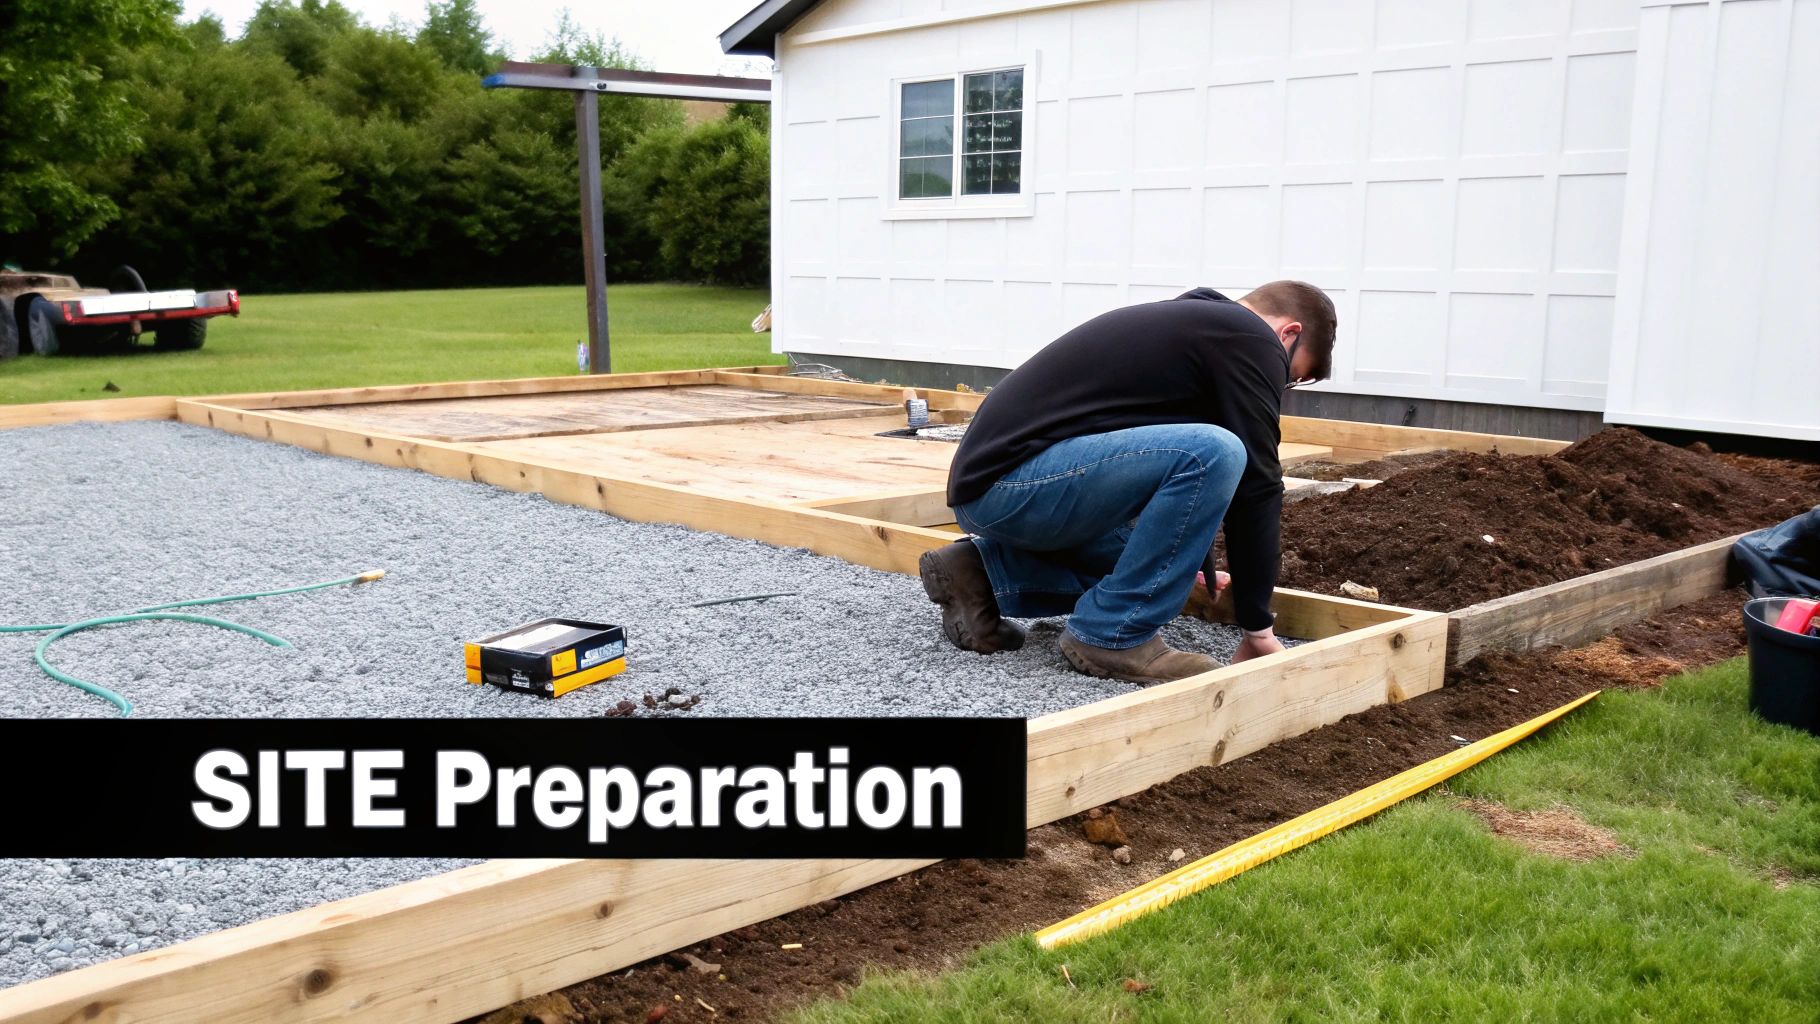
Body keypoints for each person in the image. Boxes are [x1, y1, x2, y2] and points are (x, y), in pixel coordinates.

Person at [918, 282, 1337, 684]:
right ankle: (1113, 635)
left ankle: (980, 573)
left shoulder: (1199, 328)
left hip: (997, 489)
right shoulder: (1252, 337)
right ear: (1289, 332)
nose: (1280, 385)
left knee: (1149, 558)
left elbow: (1154, 453)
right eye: (1290, 376)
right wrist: (1257, 625)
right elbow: (1258, 482)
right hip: (1013, 484)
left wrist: (1188, 557)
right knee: (1220, 449)